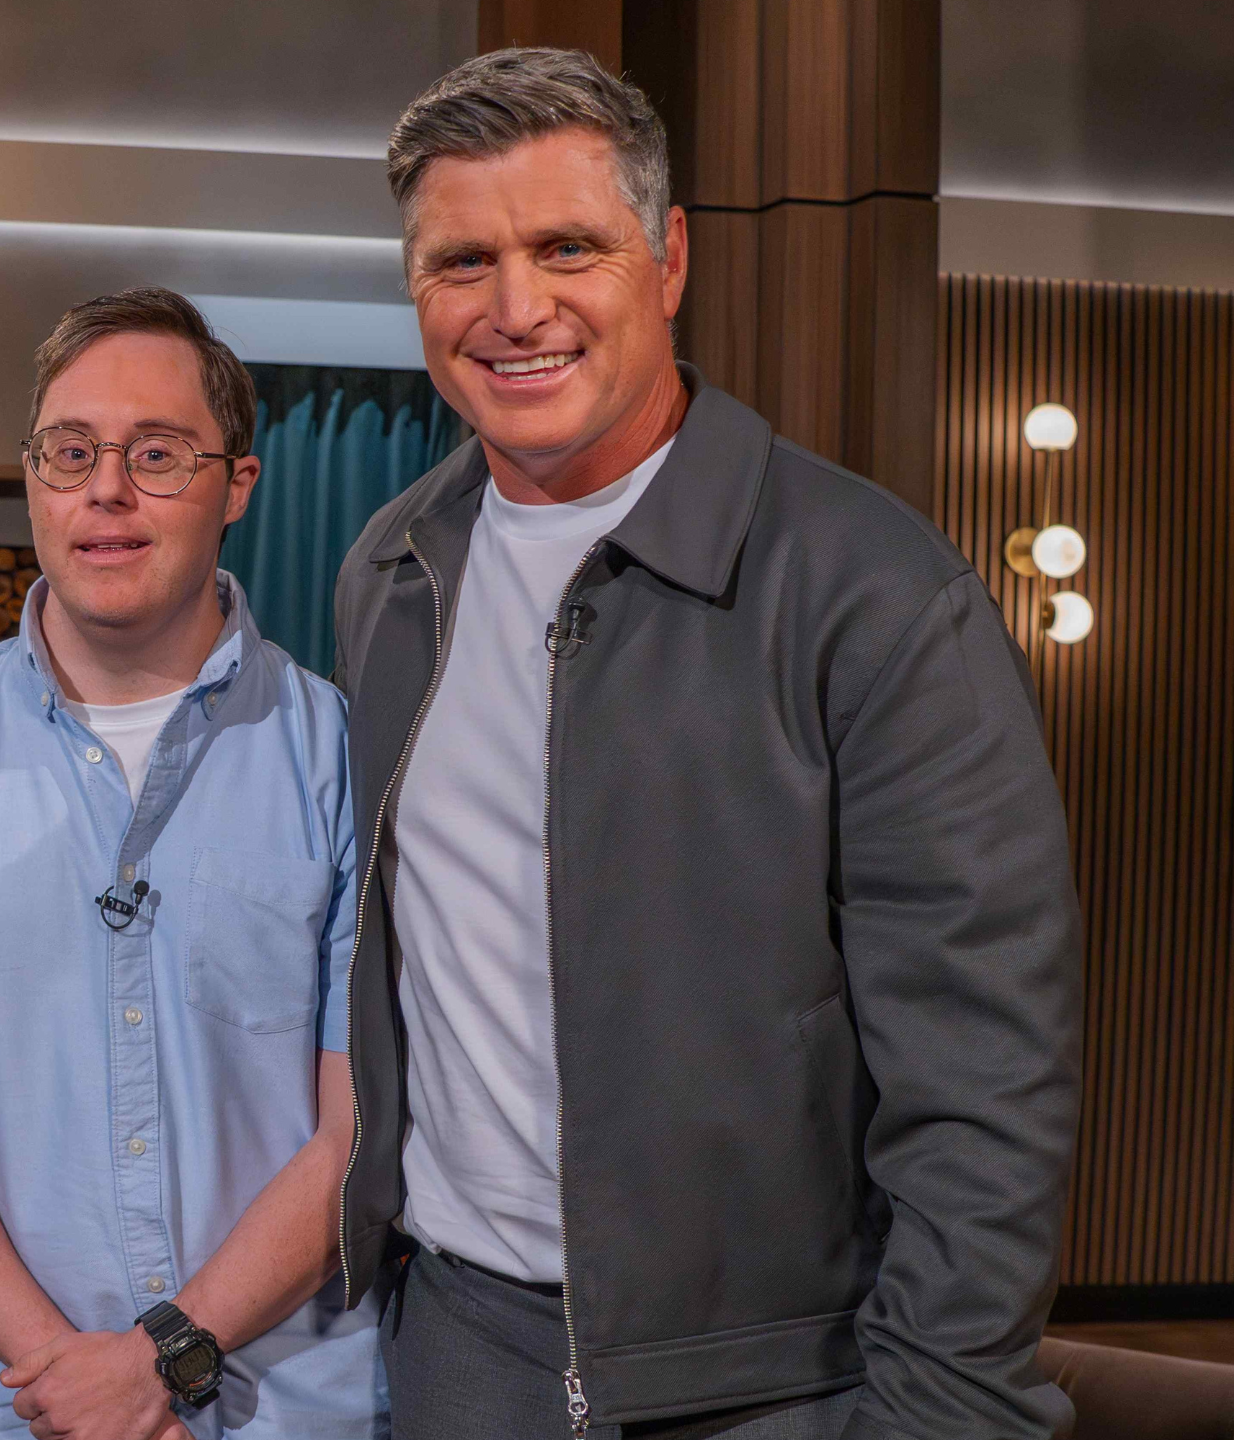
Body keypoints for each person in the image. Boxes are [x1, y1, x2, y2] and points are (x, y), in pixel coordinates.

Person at [331, 50, 1082, 1439]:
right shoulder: (389, 572)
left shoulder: (871, 590)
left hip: (781, 1384)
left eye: (568, 246)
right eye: (461, 262)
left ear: (667, 259)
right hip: (457, 1352)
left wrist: (937, 1415)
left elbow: (985, 1089)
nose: (516, 308)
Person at [0, 288, 383, 1440]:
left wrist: (162, 1357)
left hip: (290, 1409)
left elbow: (358, 1130)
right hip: (24, 1409)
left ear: (238, 486)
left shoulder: (347, 761)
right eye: (71, 453)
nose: (105, 490)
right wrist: (72, 1375)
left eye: (157, 454)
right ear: (32, 476)